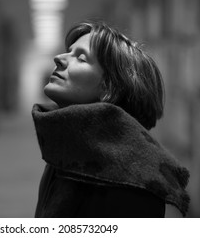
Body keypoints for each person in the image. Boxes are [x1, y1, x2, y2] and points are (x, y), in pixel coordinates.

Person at [31, 20, 190, 218]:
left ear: (109, 87)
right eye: (69, 51)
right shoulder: (71, 148)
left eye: (81, 58)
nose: (59, 58)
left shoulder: (129, 180)